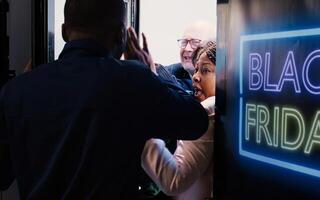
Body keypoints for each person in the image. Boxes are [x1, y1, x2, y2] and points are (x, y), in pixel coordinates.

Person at [0, 0, 209, 199]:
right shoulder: (132, 80)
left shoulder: (16, 91)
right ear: (121, 35)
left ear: (64, 31)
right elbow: (195, 122)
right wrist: (151, 73)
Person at [142, 41, 217, 200]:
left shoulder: (208, 111)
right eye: (196, 70)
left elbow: (173, 181)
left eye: (205, 70)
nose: (195, 77)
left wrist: (140, 128)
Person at [165, 21, 215, 94]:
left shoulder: (225, 82)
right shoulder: (167, 75)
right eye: (184, 42)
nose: (187, 48)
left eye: (195, 42)